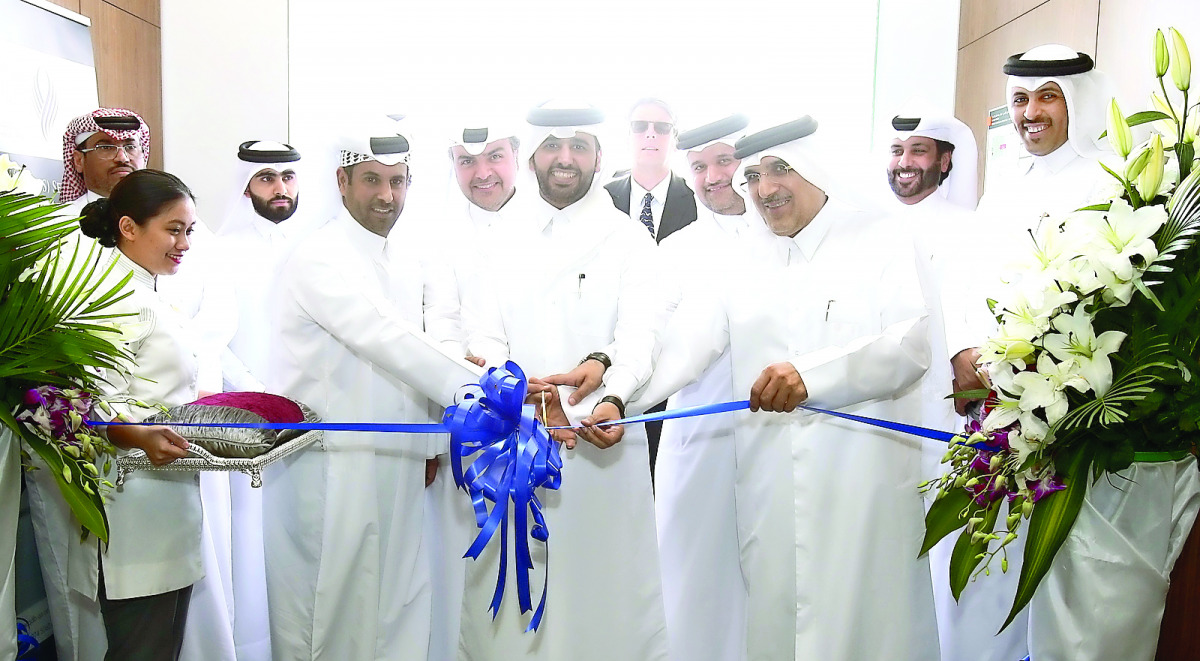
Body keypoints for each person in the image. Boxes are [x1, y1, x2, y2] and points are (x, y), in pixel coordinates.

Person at [612, 116, 940, 660]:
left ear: (815, 167)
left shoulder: (882, 237)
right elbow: (684, 348)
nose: (764, 189)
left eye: (780, 169)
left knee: (870, 624)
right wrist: (612, 398)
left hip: (862, 486)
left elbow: (910, 345)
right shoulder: (741, 258)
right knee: (776, 624)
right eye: (753, 176)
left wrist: (814, 376)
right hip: (769, 490)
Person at [456, 101, 668, 661]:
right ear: (532, 157)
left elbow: (641, 335)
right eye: (552, 146)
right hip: (513, 441)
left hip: (601, 442)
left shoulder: (628, 240)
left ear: (599, 156)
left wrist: (614, 396)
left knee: (605, 596)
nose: (565, 158)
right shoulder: (497, 239)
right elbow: (482, 333)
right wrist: (512, 386)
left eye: (578, 146)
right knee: (513, 603)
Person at [263, 119, 482, 661]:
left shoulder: (405, 256)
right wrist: (482, 390)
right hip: (331, 464)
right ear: (342, 181)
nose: (387, 195)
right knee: (330, 608)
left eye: (397, 181)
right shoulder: (319, 256)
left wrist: (429, 444)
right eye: (372, 180)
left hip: (397, 460)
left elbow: (422, 345)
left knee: (398, 598)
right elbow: (385, 337)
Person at [26, 108, 152, 661]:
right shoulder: (50, 229)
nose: (122, 156)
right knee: (78, 574)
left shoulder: (163, 219)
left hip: (152, 422)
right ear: (76, 160)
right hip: (69, 421)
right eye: (105, 146)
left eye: (131, 145)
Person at [652, 112, 768, 661]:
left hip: (774, 432)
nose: (714, 177)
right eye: (698, 167)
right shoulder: (675, 250)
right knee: (692, 566)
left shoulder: (784, 236)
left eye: (724, 161)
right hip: (696, 435)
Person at [74, 169, 202, 660]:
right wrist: (140, 436)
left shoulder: (150, 291)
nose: (184, 244)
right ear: (128, 227)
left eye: (188, 231)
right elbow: (88, 406)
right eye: (173, 230)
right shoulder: (111, 297)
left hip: (168, 502)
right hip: (132, 507)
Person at [603, 98, 698, 465]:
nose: (651, 135)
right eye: (640, 126)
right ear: (627, 134)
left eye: (662, 128)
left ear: (675, 136)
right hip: (612, 355)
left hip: (677, 364)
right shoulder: (601, 200)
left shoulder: (697, 200)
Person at [57, 108, 150, 218]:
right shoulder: (60, 222)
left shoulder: (161, 216)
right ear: (78, 161)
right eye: (106, 147)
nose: (122, 158)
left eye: (130, 147)